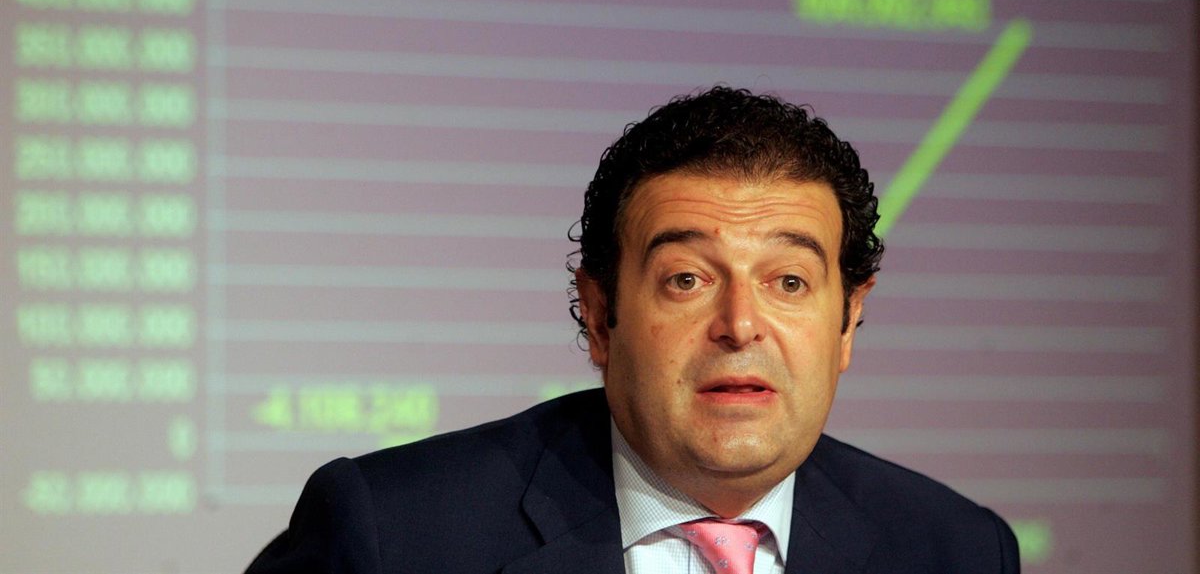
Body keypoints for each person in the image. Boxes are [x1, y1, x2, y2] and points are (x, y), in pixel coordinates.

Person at [245, 86, 1020, 574]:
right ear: (600, 315)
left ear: (849, 321)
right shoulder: (394, 535)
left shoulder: (955, 550)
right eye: (687, 279)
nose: (740, 324)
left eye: (788, 281)